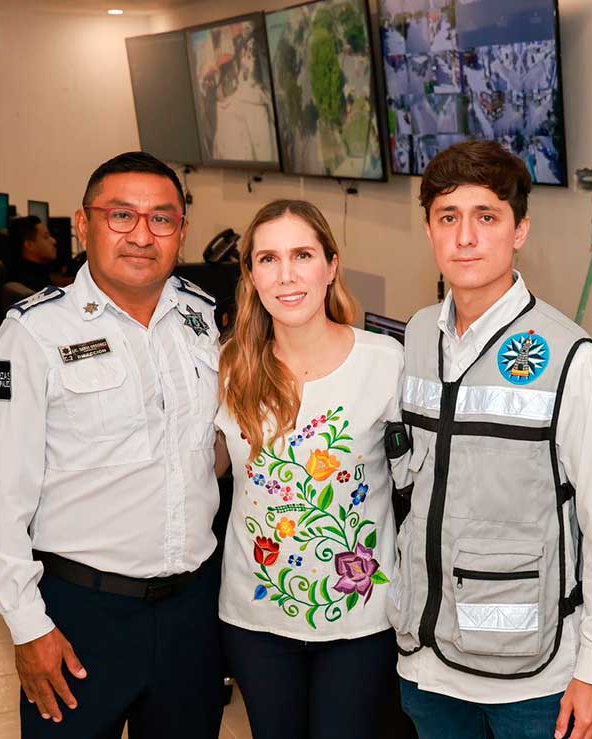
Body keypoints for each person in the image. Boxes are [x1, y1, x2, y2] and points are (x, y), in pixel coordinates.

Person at [0, 151, 225, 739]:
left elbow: (211, 449)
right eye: (121, 215)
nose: (142, 236)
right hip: (80, 613)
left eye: (162, 219)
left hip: (191, 610)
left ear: (182, 231)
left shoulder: (202, 318)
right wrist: (27, 627)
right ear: (83, 225)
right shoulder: (32, 334)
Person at [390, 141, 592, 739]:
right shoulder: (418, 336)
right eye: (448, 218)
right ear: (429, 231)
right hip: (426, 667)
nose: (465, 238)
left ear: (519, 231)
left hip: (532, 681)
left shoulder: (573, 360)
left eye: (486, 217)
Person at [215, 200, 410, 739]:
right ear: (251, 276)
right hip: (256, 619)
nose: (287, 275)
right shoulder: (228, 367)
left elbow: (424, 482)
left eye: (302, 255)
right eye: (268, 259)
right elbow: (203, 473)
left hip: (361, 621)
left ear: (331, 265)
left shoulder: (386, 362)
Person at [7, 215, 59, 294]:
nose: (54, 241)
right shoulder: (36, 286)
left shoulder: (18, 273)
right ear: (29, 245)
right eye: (46, 237)